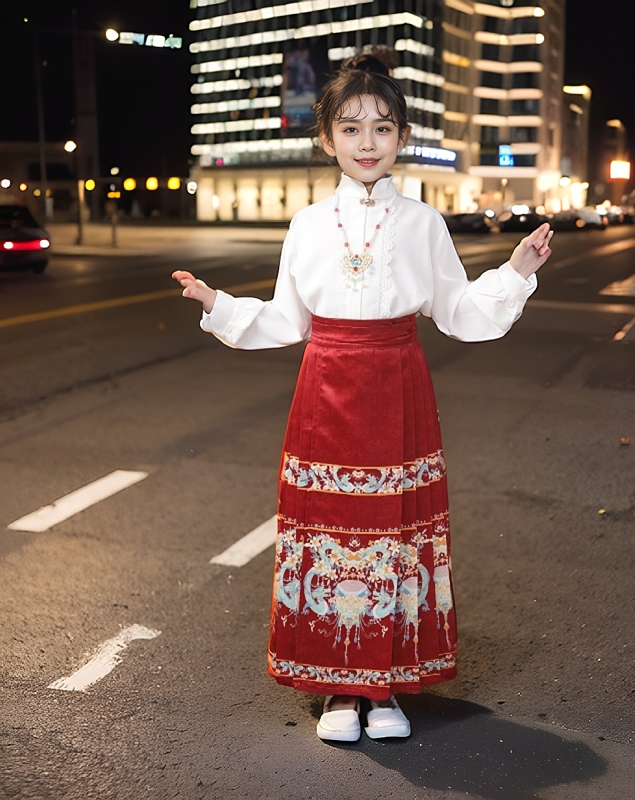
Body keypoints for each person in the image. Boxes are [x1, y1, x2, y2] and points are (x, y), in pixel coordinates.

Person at [172, 54, 553, 744]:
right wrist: (218, 305)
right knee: (330, 534)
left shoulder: (424, 223)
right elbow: (288, 320)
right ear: (327, 139)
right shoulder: (309, 226)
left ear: (401, 135)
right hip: (324, 391)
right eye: (352, 128)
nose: (367, 141)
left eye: (382, 126)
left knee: (395, 536)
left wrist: (516, 271)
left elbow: (461, 311)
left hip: (397, 387)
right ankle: (337, 692)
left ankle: (384, 689)